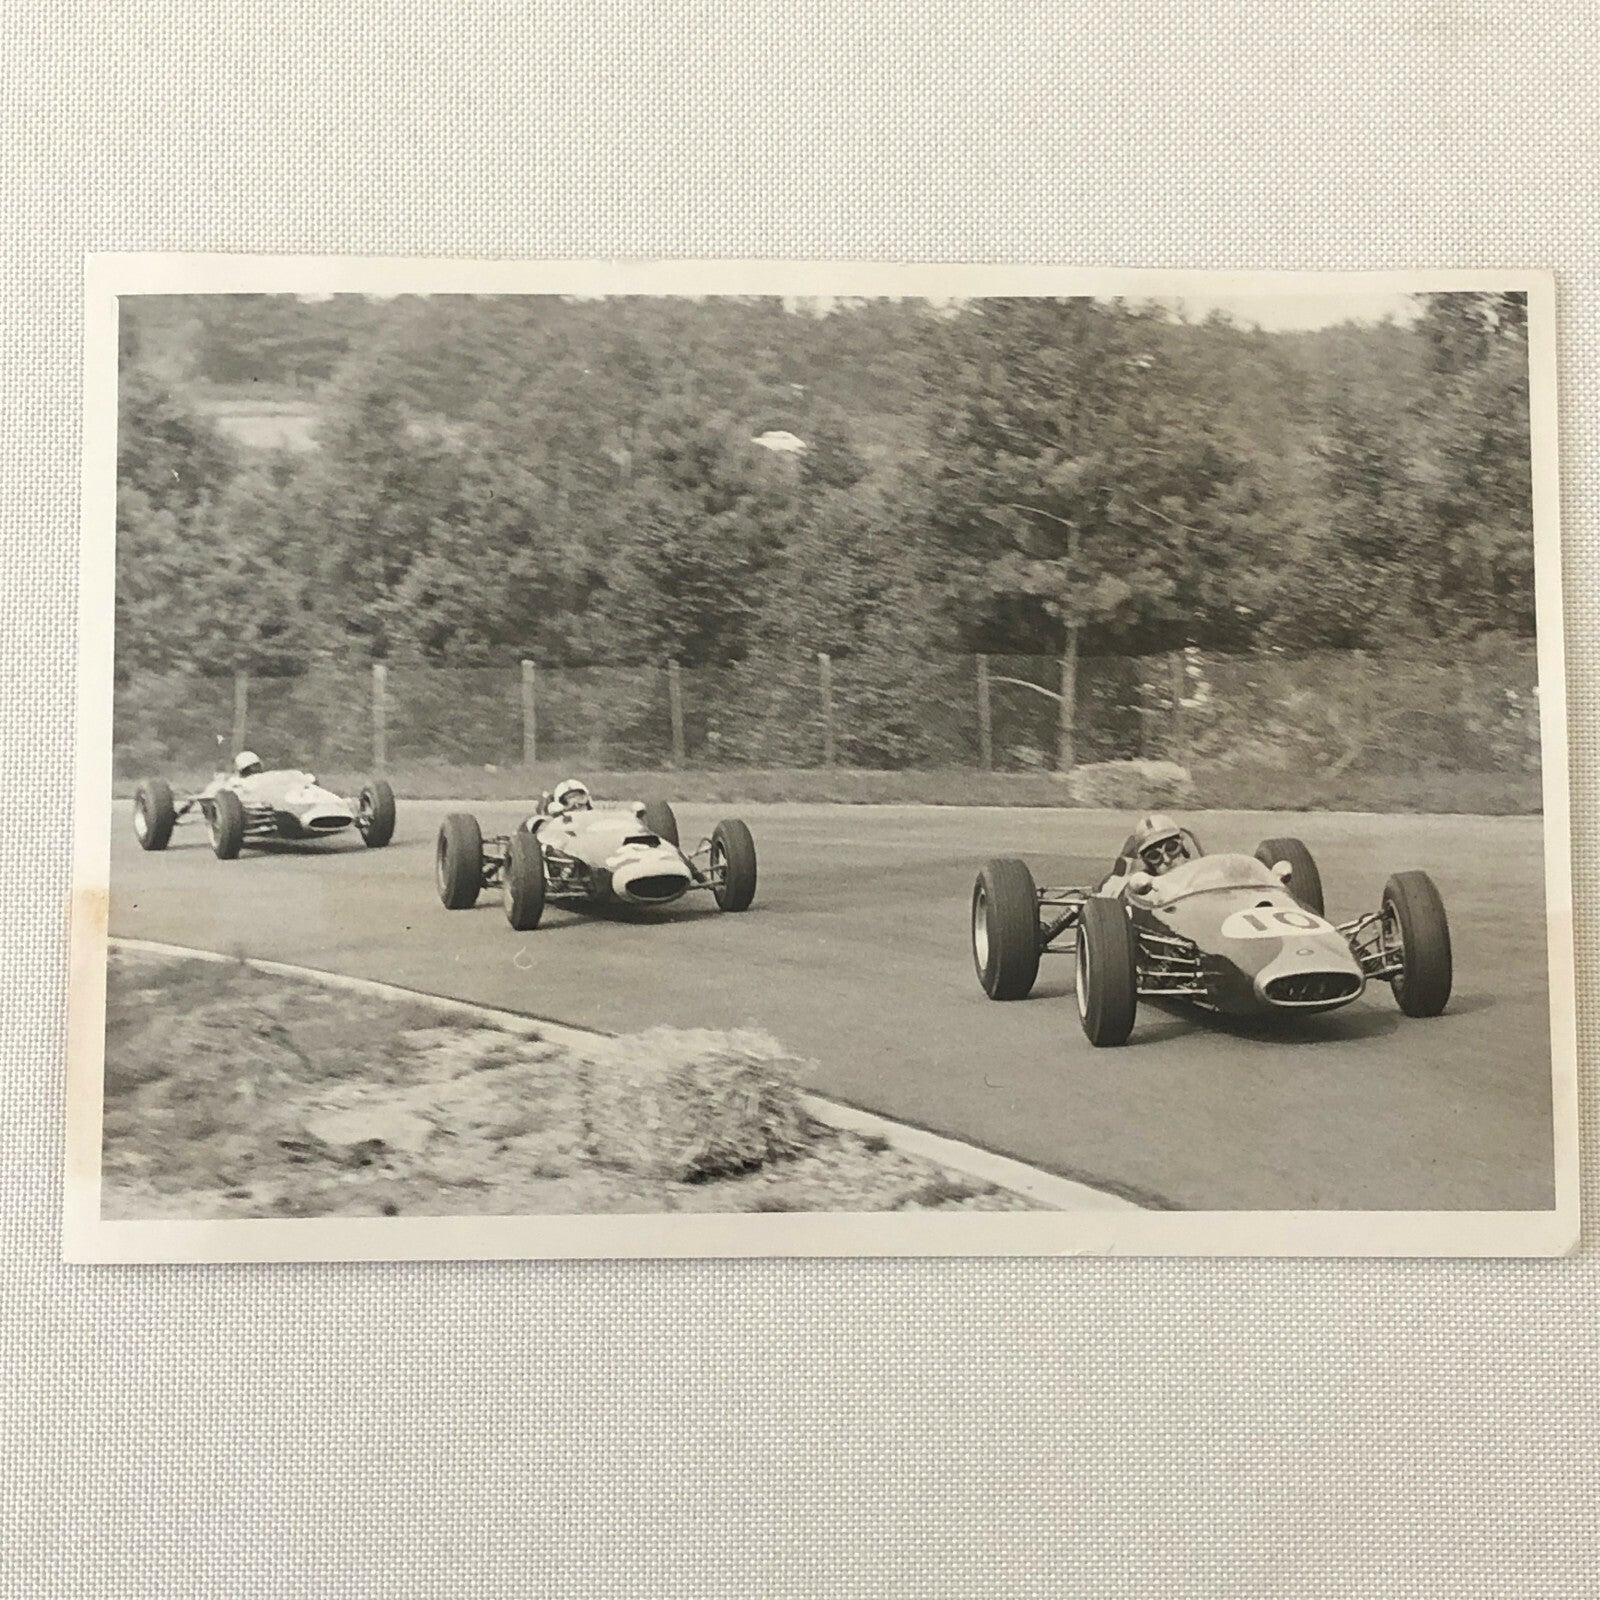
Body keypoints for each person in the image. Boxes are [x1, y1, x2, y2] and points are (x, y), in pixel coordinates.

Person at [1097, 812, 1195, 894]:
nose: (1167, 859)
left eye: (1171, 847)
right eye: (1154, 856)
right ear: (1147, 862)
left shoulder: (1199, 872)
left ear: (1183, 846)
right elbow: (1112, 888)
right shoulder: (1147, 886)